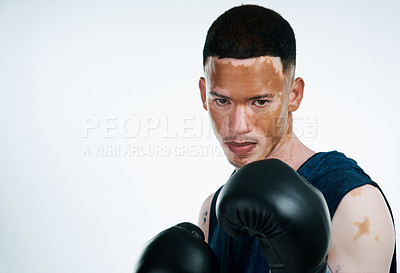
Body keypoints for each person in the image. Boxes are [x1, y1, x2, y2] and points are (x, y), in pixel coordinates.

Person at [197, 4, 396, 273]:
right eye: (222, 100)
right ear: (203, 94)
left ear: (294, 95)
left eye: (259, 101)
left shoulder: (353, 203)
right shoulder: (212, 211)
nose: (237, 126)